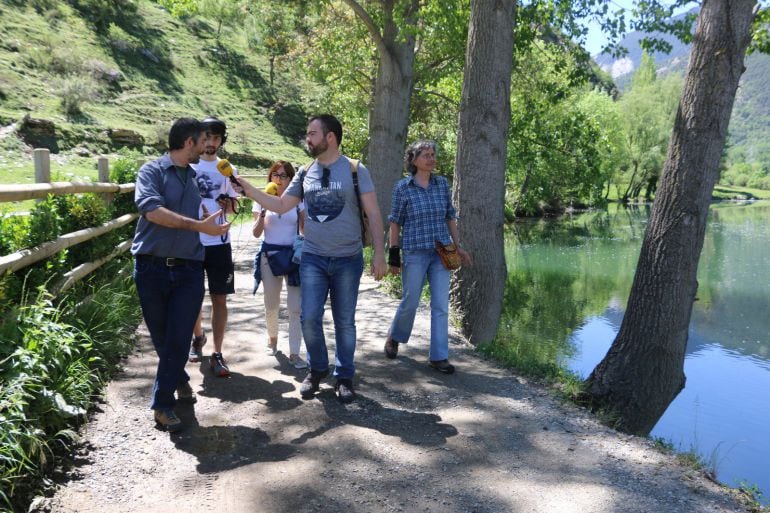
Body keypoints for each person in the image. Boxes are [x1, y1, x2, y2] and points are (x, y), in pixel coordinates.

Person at [236, 114, 387, 403]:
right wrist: (249, 189)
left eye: (312, 133)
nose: (308, 138)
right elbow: (280, 204)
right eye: (307, 133)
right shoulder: (305, 172)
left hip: (347, 258)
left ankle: (344, 376)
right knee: (309, 318)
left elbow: (375, 213)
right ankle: (317, 369)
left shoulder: (356, 170)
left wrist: (379, 253)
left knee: (345, 321)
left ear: (330, 137)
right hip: (314, 258)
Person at [131, 118, 230, 432]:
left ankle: (162, 405)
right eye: (203, 141)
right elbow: (152, 211)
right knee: (163, 339)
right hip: (151, 268)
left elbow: (192, 214)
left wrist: (204, 218)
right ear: (190, 141)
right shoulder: (152, 171)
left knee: (176, 339)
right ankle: (181, 378)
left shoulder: (193, 176)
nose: (207, 146)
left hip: (189, 269)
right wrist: (198, 226)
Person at [384, 140, 472, 374]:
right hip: (414, 252)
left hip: (441, 252)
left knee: (441, 305)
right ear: (413, 160)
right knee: (411, 300)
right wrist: (394, 255)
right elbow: (394, 222)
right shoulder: (402, 188)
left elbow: (450, 217)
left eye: (433, 154)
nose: (432, 158)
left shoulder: (442, 184)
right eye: (426, 155)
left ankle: (439, 356)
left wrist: (457, 246)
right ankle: (395, 335)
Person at [188, 117, 239, 378]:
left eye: (216, 138)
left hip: (219, 241)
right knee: (193, 295)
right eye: (206, 137)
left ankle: (218, 353)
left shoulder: (227, 168)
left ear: (222, 140)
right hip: (193, 240)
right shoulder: (188, 164)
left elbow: (234, 205)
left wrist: (230, 203)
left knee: (220, 297)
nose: (210, 143)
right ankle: (198, 338)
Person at [251, 161, 307, 369]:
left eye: (284, 176)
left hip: (293, 258)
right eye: (275, 174)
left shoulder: (298, 200)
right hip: (270, 256)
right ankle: (272, 339)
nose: (279, 179)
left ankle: (295, 352)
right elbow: (256, 232)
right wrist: (265, 208)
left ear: (291, 179)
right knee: (271, 304)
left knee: (295, 307)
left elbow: (304, 230)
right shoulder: (261, 199)